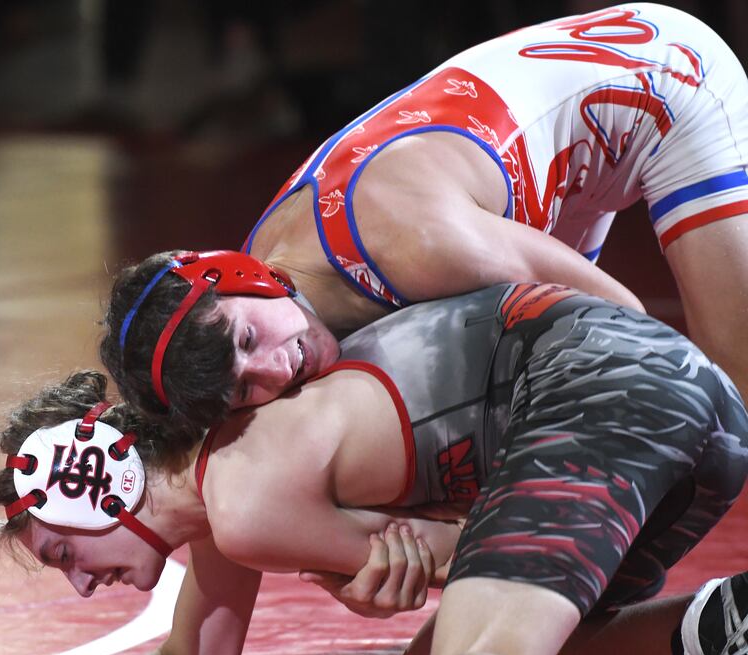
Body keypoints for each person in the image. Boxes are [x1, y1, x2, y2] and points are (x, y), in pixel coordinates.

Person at [0, 282, 748, 655]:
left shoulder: (241, 502)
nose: (78, 585)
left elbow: (447, 554)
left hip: (597, 388)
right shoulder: (226, 484)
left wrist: (361, 573)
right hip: (676, 407)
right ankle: (721, 624)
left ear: (97, 485)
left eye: (63, 550)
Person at [99, 2, 748, 428]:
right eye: (244, 389)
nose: (276, 370)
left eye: (247, 342)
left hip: (668, 83)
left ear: (247, 278)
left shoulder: (415, 244)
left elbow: (634, 331)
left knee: (727, 398)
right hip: (555, 168)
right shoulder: (264, 293)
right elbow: (238, 468)